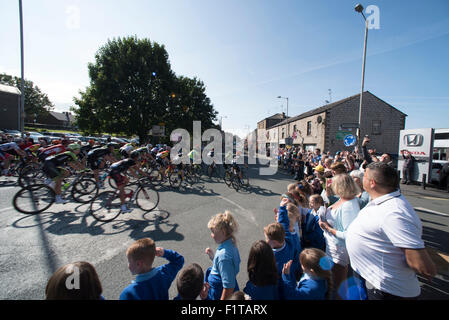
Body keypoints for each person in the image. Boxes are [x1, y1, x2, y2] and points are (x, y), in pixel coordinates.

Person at [346, 162, 437, 300]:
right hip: (371, 278)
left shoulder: (395, 213)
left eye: (364, 175)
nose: (360, 178)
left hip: (386, 290)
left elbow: (423, 265)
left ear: (372, 183)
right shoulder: (382, 200)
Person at [318, 174, 361, 299]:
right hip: (331, 246)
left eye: (333, 183)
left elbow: (349, 234)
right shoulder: (343, 199)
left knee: (337, 284)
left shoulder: (349, 206)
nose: (331, 185)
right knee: (331, 281)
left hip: (339, 251)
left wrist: (328, 228)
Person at [120, 238, 184, 300]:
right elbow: (179, 260)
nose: (128, 265)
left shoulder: (129, 293)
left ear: (138, 264)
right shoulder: (164, 274)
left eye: (129, 262)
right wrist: (164, 252)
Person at [204, 211, 241, 300]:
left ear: (223, 232)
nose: (211, 235)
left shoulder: (223, 256)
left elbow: (229, 286)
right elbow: (225, 267)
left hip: (219, 293)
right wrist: (214, 258)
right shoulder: (230, 243)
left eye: (213, 232)